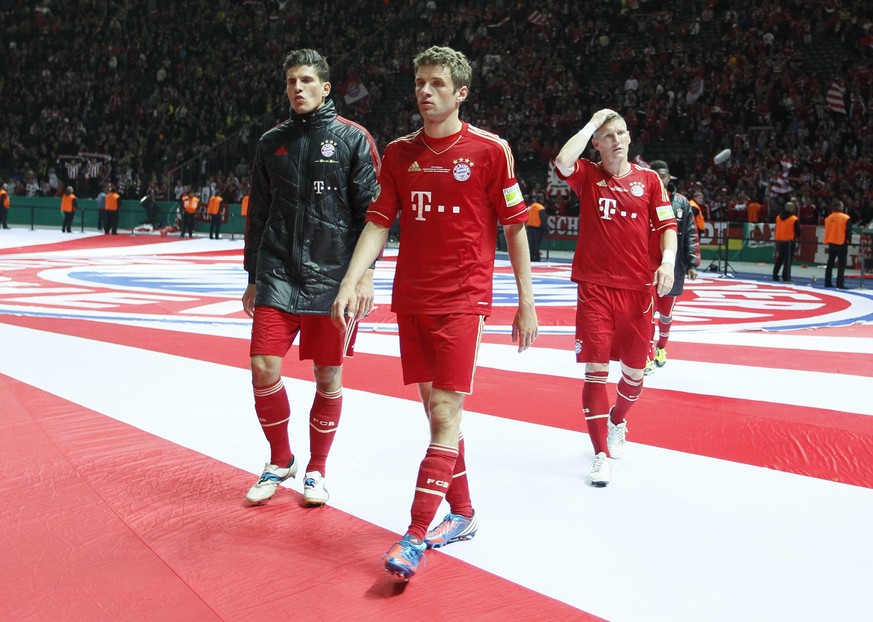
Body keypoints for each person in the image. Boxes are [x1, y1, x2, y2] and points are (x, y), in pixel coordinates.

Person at [333, 46, 537, 582]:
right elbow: (378, 219)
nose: (425, 92)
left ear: (461, 92)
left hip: (463, 300)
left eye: (437, 84)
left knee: (445, 414)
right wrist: (354, 278)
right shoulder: (399, 153)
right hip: (412, 298)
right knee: (434, 412)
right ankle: (464, 513)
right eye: (420, 82)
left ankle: (416, 534)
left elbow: (515, 227)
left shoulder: (491, 151)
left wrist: (526, 301)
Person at [242, 48, 380, 509]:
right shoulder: (270, 143)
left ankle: (317, 469)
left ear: (325, 87)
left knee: (328, 375)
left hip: (334, 279)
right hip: (278, 271)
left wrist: (364, 276)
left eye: (306, 81)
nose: (296, 89)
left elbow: (373, 215)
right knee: (263, 364)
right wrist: (252, 277)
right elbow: (258, 213)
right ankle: (281, 460)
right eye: (290, 82)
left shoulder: (353, 139)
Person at [554, 109, 677, 487]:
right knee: (595, 371)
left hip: (638, 292)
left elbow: (668, 226)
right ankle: (600, 456)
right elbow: (562, 161)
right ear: (597, 143)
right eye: (608, 135)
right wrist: (591, 122)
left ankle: (617, 420)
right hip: (595, 288)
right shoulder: (588, 175)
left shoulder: (650, 180)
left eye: (621, 133)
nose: (618, 140)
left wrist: (668, 261)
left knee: (635, 376)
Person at [645, 160, 698, 374]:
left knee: (665, 316)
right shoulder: (641, 200)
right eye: (655, 175)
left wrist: (692, 262)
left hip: (673, 269)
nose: (659, 179)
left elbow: (690, 235)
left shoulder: (682, 204)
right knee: (646, 315)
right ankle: (646, 355)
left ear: (668, 178)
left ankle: (660, 349)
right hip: (646, 269)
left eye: (663, 176)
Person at [824, 200, 852, 289]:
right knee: (841, 265)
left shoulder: (828, 218)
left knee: (830, 264)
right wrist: (848, 241)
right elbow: (848, 231)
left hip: (831, 242)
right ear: (841, 207)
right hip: (841, 243)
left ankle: (827, 282)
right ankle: (840, 283)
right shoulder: (845, 218)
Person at [773, 200, 800, 282]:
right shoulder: (794, 219)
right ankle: (786, 277)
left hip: (780, 240)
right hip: (789, 242)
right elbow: (798, 231)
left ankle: (775, 275)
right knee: (788, 261)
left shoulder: (778, 217)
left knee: (779, 260)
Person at [526, 196, 547, 261]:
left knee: (531, 243)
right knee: (536, 244)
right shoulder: (540, 208)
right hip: (538, 228)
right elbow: (543, 219)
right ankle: (536, 258)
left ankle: (531, 257)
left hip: (529, 227)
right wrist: (544, 228)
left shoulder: (530, 207)